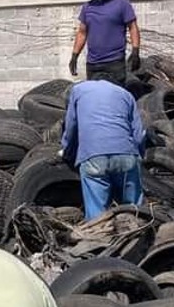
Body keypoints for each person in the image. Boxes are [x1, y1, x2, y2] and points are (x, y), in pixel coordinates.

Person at [60, 71, 147, 220]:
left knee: (97, 216)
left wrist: (67, 152)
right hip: (126, 156)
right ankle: (137, 237)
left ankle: (100, 238)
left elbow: (71, 126)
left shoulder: (79, 90)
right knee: (134, 211)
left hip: (93, 156)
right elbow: (139, 136)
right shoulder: (126, 95)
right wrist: (138, 158)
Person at [69, 0, 141, 83]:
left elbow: (133, 28)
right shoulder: (87, 7)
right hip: (93, 64)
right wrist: (74, 56)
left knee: (115, 95)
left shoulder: (122, 3)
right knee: (95, 97)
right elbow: (82, 33)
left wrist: (135, 51)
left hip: (115, 62)